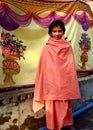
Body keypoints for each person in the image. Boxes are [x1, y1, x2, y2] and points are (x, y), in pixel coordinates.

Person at [33, 20, 81, 130]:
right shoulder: (47, 48)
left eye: (60, 31)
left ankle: (68, 125)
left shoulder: (67, 46)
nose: (57, 33)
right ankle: (52, 127)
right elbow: (43, 68)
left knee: (66, 106)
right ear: (50, 33)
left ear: (63, 32)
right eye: (54, 31)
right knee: (52, 108)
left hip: (64, 84)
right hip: (51, 84)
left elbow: (70, 67)